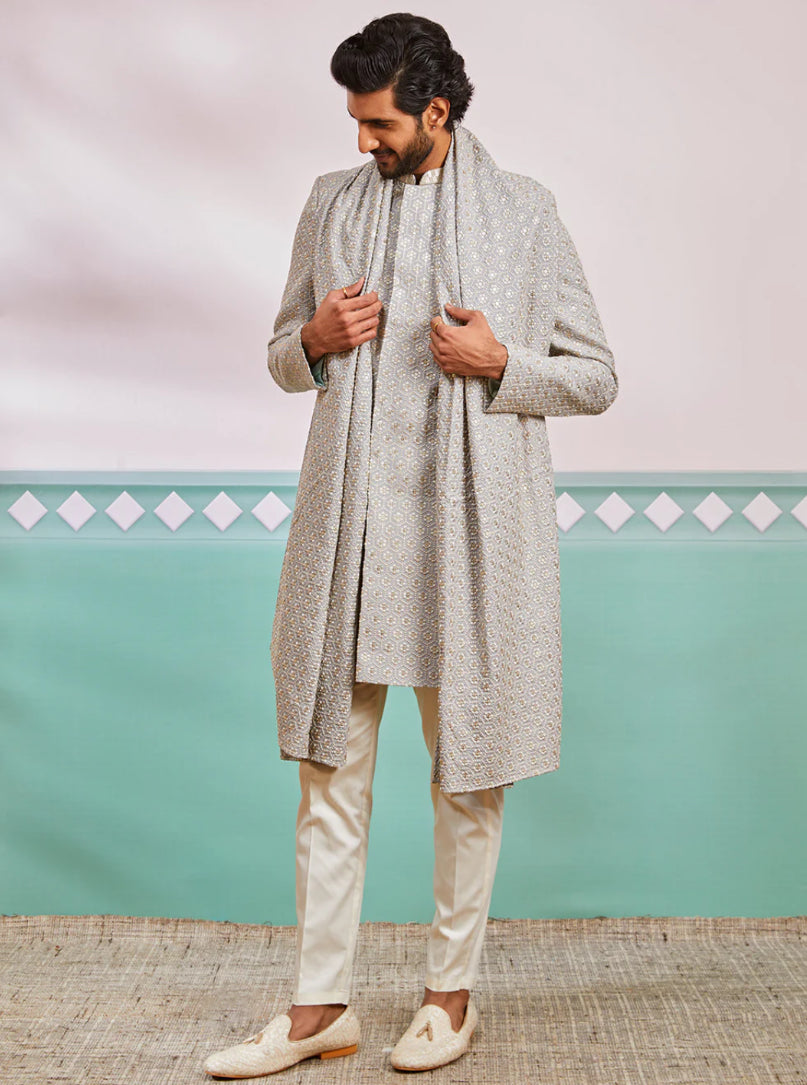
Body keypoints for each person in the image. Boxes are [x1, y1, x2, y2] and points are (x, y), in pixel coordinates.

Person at [204, 11, 618, 1078]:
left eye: (380, 123)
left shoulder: (524, 212)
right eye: (354, 120)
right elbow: (281, 352)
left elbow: (595, 376)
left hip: (465, 539)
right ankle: (318, 1008)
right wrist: (311, 341)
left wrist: (501, 361)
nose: (361, 141)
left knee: (466, 775)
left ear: (436, 110)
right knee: (327, 771)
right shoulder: (331, 202)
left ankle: (448, 997)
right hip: (349, 531)